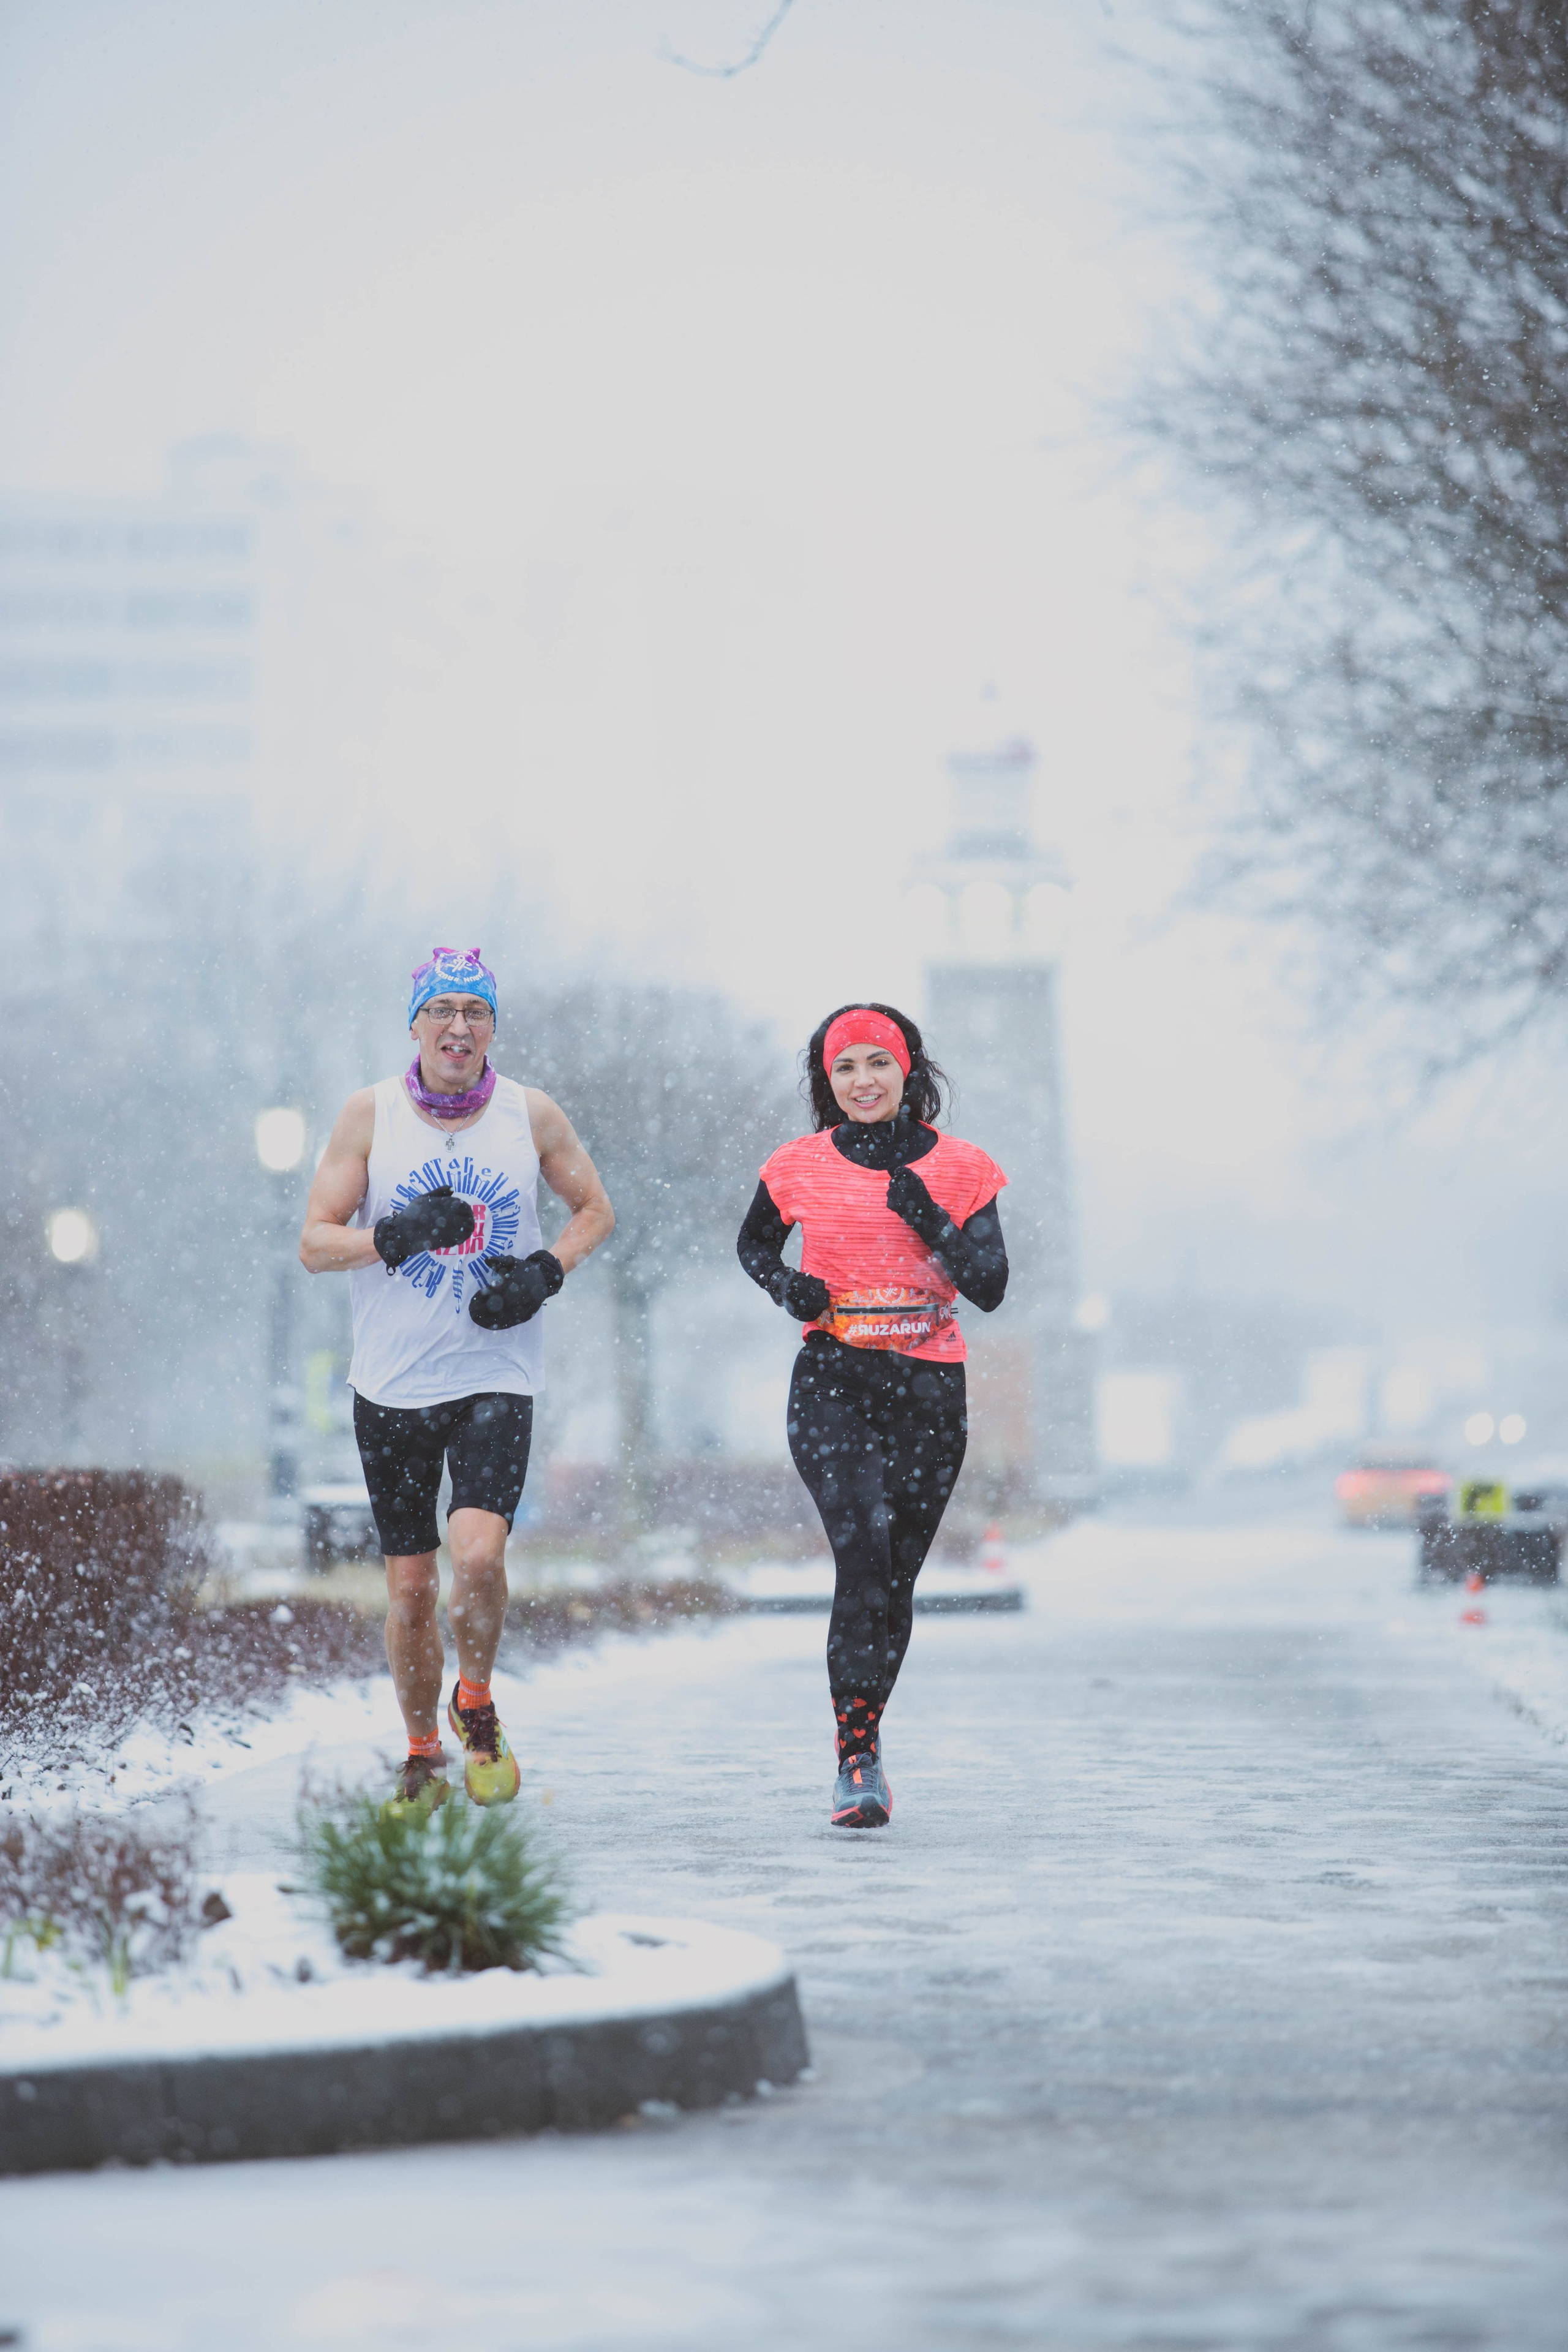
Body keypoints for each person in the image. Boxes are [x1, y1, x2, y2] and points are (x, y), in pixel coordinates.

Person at [300, 948, 614, 1812]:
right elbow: (315, 1243)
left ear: (492, 1030)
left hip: (494, 1372)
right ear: (415, 1024)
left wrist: (544, 1273)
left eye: (475, 1012)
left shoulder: (529, 1114)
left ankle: (475, 1701)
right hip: (392, 1384)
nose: (458, 1027)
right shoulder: (369, 1115)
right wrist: (393, 1236)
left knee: (477, 1555)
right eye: (441, 1010)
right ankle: (422, 1759)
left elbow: (596, 1210)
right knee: (410, 1588)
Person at [737, 1003, 1008, 1830]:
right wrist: (789, 1287)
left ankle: (865, 1732)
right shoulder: (797, 1165)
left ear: (908, 1069)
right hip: (834, 1381)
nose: (863, 1081)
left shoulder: (964, 1167)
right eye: (845, 1067)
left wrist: (931, 1220)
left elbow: (991, 1287)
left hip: (929, 1390)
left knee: (894, 1577)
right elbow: (754, 1246)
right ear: (828, 1081)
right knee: (862, 1556)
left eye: (878, 1063)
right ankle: (856, 1758)